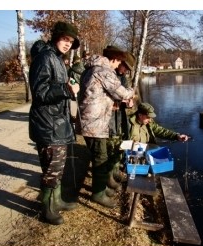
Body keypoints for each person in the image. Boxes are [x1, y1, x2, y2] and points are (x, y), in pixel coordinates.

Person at [28, 21, 80, 225]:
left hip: (57, 123)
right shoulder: (45, 58)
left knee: (57, 168)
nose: (68, 44)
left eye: (71, 42)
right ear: (56, 36)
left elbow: (56, 88)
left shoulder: (57, 59)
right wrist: (67, 90)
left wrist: (68, 87)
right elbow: (40, 93)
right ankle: (47, 209)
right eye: (65, 39)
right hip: (48, 125)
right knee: (51, 169)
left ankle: (56, 201)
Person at [79, 46, 135, 208]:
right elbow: (122, 93)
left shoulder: (92, 69)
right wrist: (131, 91)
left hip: (93, 121)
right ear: (114, 59)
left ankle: (101, 188)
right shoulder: (104, 71)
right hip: (94, 122)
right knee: (100, 158)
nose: (118, 66)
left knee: (100, 156)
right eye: (118, 62)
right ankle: (98, 194)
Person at [105, 52, 136, 190]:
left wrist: (129, 102)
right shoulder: (108, 73)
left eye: (127, 69)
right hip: (109, 115)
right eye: (124, 66)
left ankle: (116, 170)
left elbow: (127, 94)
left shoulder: (124, 78)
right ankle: (109, 175)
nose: (124, 70)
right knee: (110, 144)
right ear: (119, 62)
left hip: (120, 115)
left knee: (121, 142)